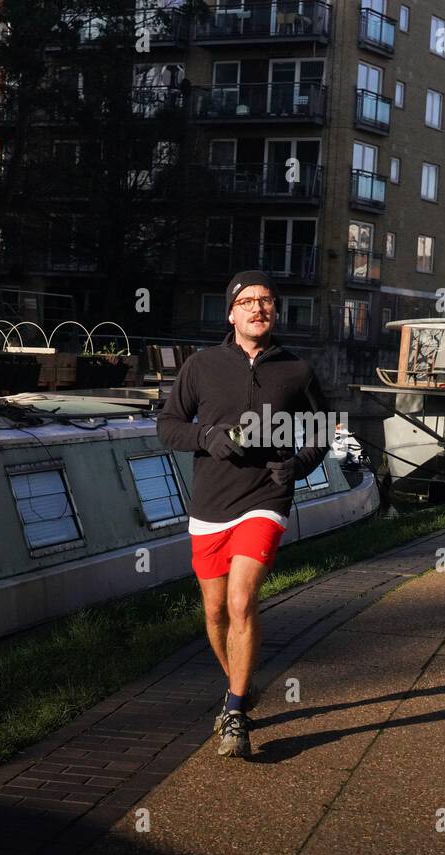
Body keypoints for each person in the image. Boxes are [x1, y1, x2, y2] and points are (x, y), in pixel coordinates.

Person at [157, 270, 330, 757]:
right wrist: (205, 437)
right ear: (231, 312)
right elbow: (167, 425)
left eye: (268, 301)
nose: (259, 308)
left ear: (275, 311)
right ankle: (239, 683)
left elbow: (322, 429)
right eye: (249, 301)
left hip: (266, 500)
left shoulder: (297, 370)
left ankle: (234, 712)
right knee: (213, 612)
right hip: (210, 504)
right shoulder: (201, 365)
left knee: (240, 601)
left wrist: (295, 467)